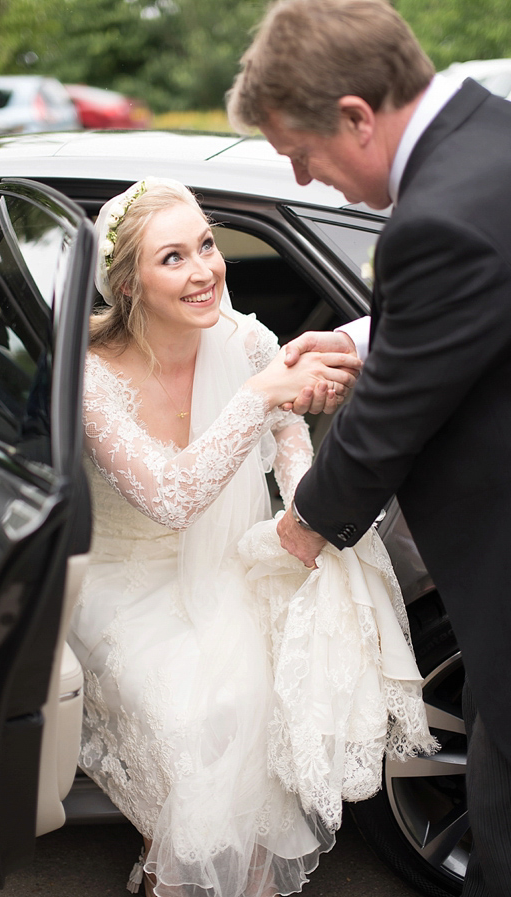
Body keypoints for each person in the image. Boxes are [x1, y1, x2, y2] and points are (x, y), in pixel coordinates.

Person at [70, 176, 434, 896]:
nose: (205, 269)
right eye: (172, 258)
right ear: (129, 284)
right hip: (131, 580)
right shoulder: (90, 377)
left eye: (206, 244)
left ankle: (224, 878)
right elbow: (173, 498)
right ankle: (175, 871)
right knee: (199, 711)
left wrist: (297, 505)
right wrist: (258, 392)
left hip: (234, 555)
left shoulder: (247, 336)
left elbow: (288, 426)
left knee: (276, 687)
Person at [227, 2, 511, 894]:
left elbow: (389, 421)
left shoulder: (440, 219)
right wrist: (362, 338)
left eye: (301, 155)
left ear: (357, 114)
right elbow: (473, 311)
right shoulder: (488, 141)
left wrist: (305, 526)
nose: (308, 180)